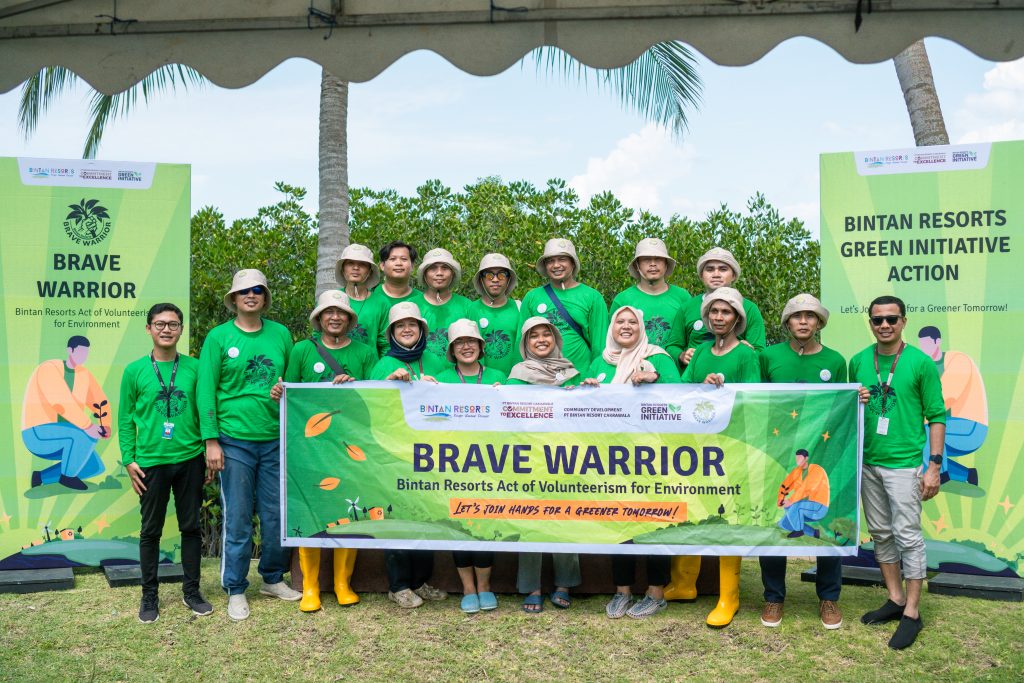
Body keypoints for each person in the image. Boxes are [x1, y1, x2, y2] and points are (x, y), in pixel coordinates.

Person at [198, 269, 301, 621]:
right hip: (234, 440)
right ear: (234, 299)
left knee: (276, 517)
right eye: (244, 291)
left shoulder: (281, 334)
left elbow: (293, 381)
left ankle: (272, 577)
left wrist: (283, 389)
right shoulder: (217, 337)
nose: (251, 295)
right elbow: (205, 391)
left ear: (265, 296)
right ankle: (235, 587)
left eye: (258, 289)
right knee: (239, 518)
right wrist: (211, 440)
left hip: (274, 438)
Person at [851, 295, 945, 650]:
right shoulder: (858, 361)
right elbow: (846, 407)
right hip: (867, 461)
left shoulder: (921, 363)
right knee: (880, 532)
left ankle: (913, 613)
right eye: (878, 320)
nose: (885, 325)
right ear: (871, 323)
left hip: (904, 464)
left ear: (903, 321)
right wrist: (853, 397)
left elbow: (937, 416)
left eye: (891, 319)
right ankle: (895, 598)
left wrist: (933, 466)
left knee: (908, 535)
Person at [273, 289, 376, 612]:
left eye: (341, 313)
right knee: (309, 514)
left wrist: (354, 387)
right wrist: (279, 393)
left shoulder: (365, 352)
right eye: (328, 313)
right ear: (318, 319)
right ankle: (310, 587)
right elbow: (289, 395)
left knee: (349, 512)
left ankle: (343, 583)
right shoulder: (302, 350)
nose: (335, 318)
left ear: (349, 319)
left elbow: (374, 400)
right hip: (307, 448)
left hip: (349, 447)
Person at [580, 306, 680, 619]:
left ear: (641, 327)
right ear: (612, 327)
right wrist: (587, 392)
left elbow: (682, 398)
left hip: (653, 457)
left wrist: (656, 377)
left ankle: (655, 593)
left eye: (632, 321)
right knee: (619, 523)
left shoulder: (658, 357)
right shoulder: (601, 361)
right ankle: (621, 590)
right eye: (620, 321)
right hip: (613, 459)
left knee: (654, 524)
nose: (625, 326)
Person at [757, 293, 847, 630]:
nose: (804, 322)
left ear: (820, 322)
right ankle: (773, 597)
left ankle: (828, 598)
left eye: (811, 316)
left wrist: (859, 398)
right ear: (787, 323)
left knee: (827, 524)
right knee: (776, 522)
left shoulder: (837, 361)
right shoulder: (768, 357)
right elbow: (754, 402)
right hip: (777, 453)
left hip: (823, 455)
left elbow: (843, 408)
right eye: (797, 316)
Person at [672, 286, 759, 628]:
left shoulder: (746, 355)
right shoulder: (701, 353)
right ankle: (683, 584)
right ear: (706, 317)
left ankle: (729, 596)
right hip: (696, 448)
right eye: (714, 312)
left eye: (726, 313)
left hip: (732, 447)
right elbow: (680, 394)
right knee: (691, 512)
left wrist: (725, 391)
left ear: (737, 318)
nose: (719, 318)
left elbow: (754, 400)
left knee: (728, 519)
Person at [118, 303, 210, 623]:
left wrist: (208, 450)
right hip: (150, 462)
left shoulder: (196, 368)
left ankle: (192, 591)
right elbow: (125, 419)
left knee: (190, 527)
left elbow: (206, 409)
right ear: (148, 329)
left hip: (190, 458)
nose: (167, 329)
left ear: (182, 329)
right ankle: (149, 597)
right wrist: (129, 460)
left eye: (173, 324)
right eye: (160, 324)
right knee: (150, 531)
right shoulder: (134, 371)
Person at [368, 301, 446, 608]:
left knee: (427, 518)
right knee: (398, 519)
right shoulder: (383, 365)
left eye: (412, 325)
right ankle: (398, 585)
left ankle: (419, 581)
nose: (407, 330)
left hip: (431, 454)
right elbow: (372, 407)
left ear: (422, 330)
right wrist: (389, 385)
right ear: (391, 333)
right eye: (400, 326)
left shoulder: (437, 361)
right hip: (396, 453)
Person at [506, 317, 582, 612]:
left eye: (546, 335)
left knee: (565, 518)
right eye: (533, 336)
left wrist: (589, 389)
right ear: (525, 343)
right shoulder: (518, 373)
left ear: (555, 339)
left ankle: (564, 584)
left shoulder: (571, 371)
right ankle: (532, 587)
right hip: (530, 457)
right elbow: (507, 414)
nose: (541, 340)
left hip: (566, 457)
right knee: (530, 521)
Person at [436, 319, 506, 613]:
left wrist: (506, 395)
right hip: (453, 462)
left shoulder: (499, 376)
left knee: (485, 524)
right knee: (459, 525)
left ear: (481, 346)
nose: (467, 347)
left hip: (490, 462)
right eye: (460, 343)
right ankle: (468, 588)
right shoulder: (439, 379)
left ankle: (485, 587)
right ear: (452, 350)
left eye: (472, 341)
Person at [22, 335, 111, 490]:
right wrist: (87, 425)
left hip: (69, 435)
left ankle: (39, 477)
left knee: (94, 466)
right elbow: (61, 401)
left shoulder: (84, 375)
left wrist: (106, 425)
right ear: (70, 350)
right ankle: (67, 477)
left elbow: (99, 401)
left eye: (86, 353)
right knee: (85, 435)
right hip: (38, 432)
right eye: (81, 352)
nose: (84, 357)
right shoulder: (48, 368)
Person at [666, 246, 766, 369]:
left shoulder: (749, 308)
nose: (716, 274)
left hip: (734, 380)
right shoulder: (687, 308)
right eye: (710, 269)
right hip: (694, 381)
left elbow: (760, 351)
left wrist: (750, 351)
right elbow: (672, 346)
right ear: (701, 275)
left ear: (734, 275)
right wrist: (681, 355)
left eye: (723, 269)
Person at [519, 238, 608, 375]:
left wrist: (598, 376)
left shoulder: (593, 297)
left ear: (572, 263)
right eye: (550, 261)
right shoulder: (532, 297)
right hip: (541, 378)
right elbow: (521, 342)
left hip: (582, 377)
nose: (556, 265)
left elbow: (600, 343)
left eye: (562, 259)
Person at [916, 325, 987, 487]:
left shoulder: (958, 361)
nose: (924, 349)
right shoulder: (925, 366)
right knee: (918, 441)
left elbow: (944, 400)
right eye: (922, 346)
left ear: (938, 341)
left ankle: (941, 476)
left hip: (971, 427)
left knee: (925, 432)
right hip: (943, 424)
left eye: (928, 345)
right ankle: (968, 475)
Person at [610, 238, 691, 353]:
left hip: (675, 369)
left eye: (658, 259)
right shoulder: (623, 300)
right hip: (634, 369)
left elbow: (691, 337)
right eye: (646, 260)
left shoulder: (683, 297)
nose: (653, 264)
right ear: (637, 266)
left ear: (666, 265)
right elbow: (612, 341)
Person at [417, 248, 471, 375]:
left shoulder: (466, 306)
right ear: (425, 274)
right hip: (421, 379)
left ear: (452, 273)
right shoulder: (413, 305)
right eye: (433, 268)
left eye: (445, 268)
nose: (439, 273)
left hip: (457, 379)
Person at [467, 253, 522, 375]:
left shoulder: (519, 308)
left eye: (502, 275)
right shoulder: (471, 309)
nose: (495, 279)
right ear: (481, 279)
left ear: (508, 280)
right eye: (489, 275)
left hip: (513, 382)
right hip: (481, 383)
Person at [371, 241, 425, 355]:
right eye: (393, 259)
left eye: (404, 259)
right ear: (382, 265)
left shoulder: (422, 300)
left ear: (412, 266)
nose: (399, 263)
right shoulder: (371, 297)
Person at [334, 243, 386, 355]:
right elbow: (318, 337)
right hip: (335, 368)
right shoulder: (331, 298)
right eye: (350, 263)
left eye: (362, 264)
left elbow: (386, 345)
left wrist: (382, 371)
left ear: (369, 271)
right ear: (343, 269)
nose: (356, 268)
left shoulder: (381, 303)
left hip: (369, 368)